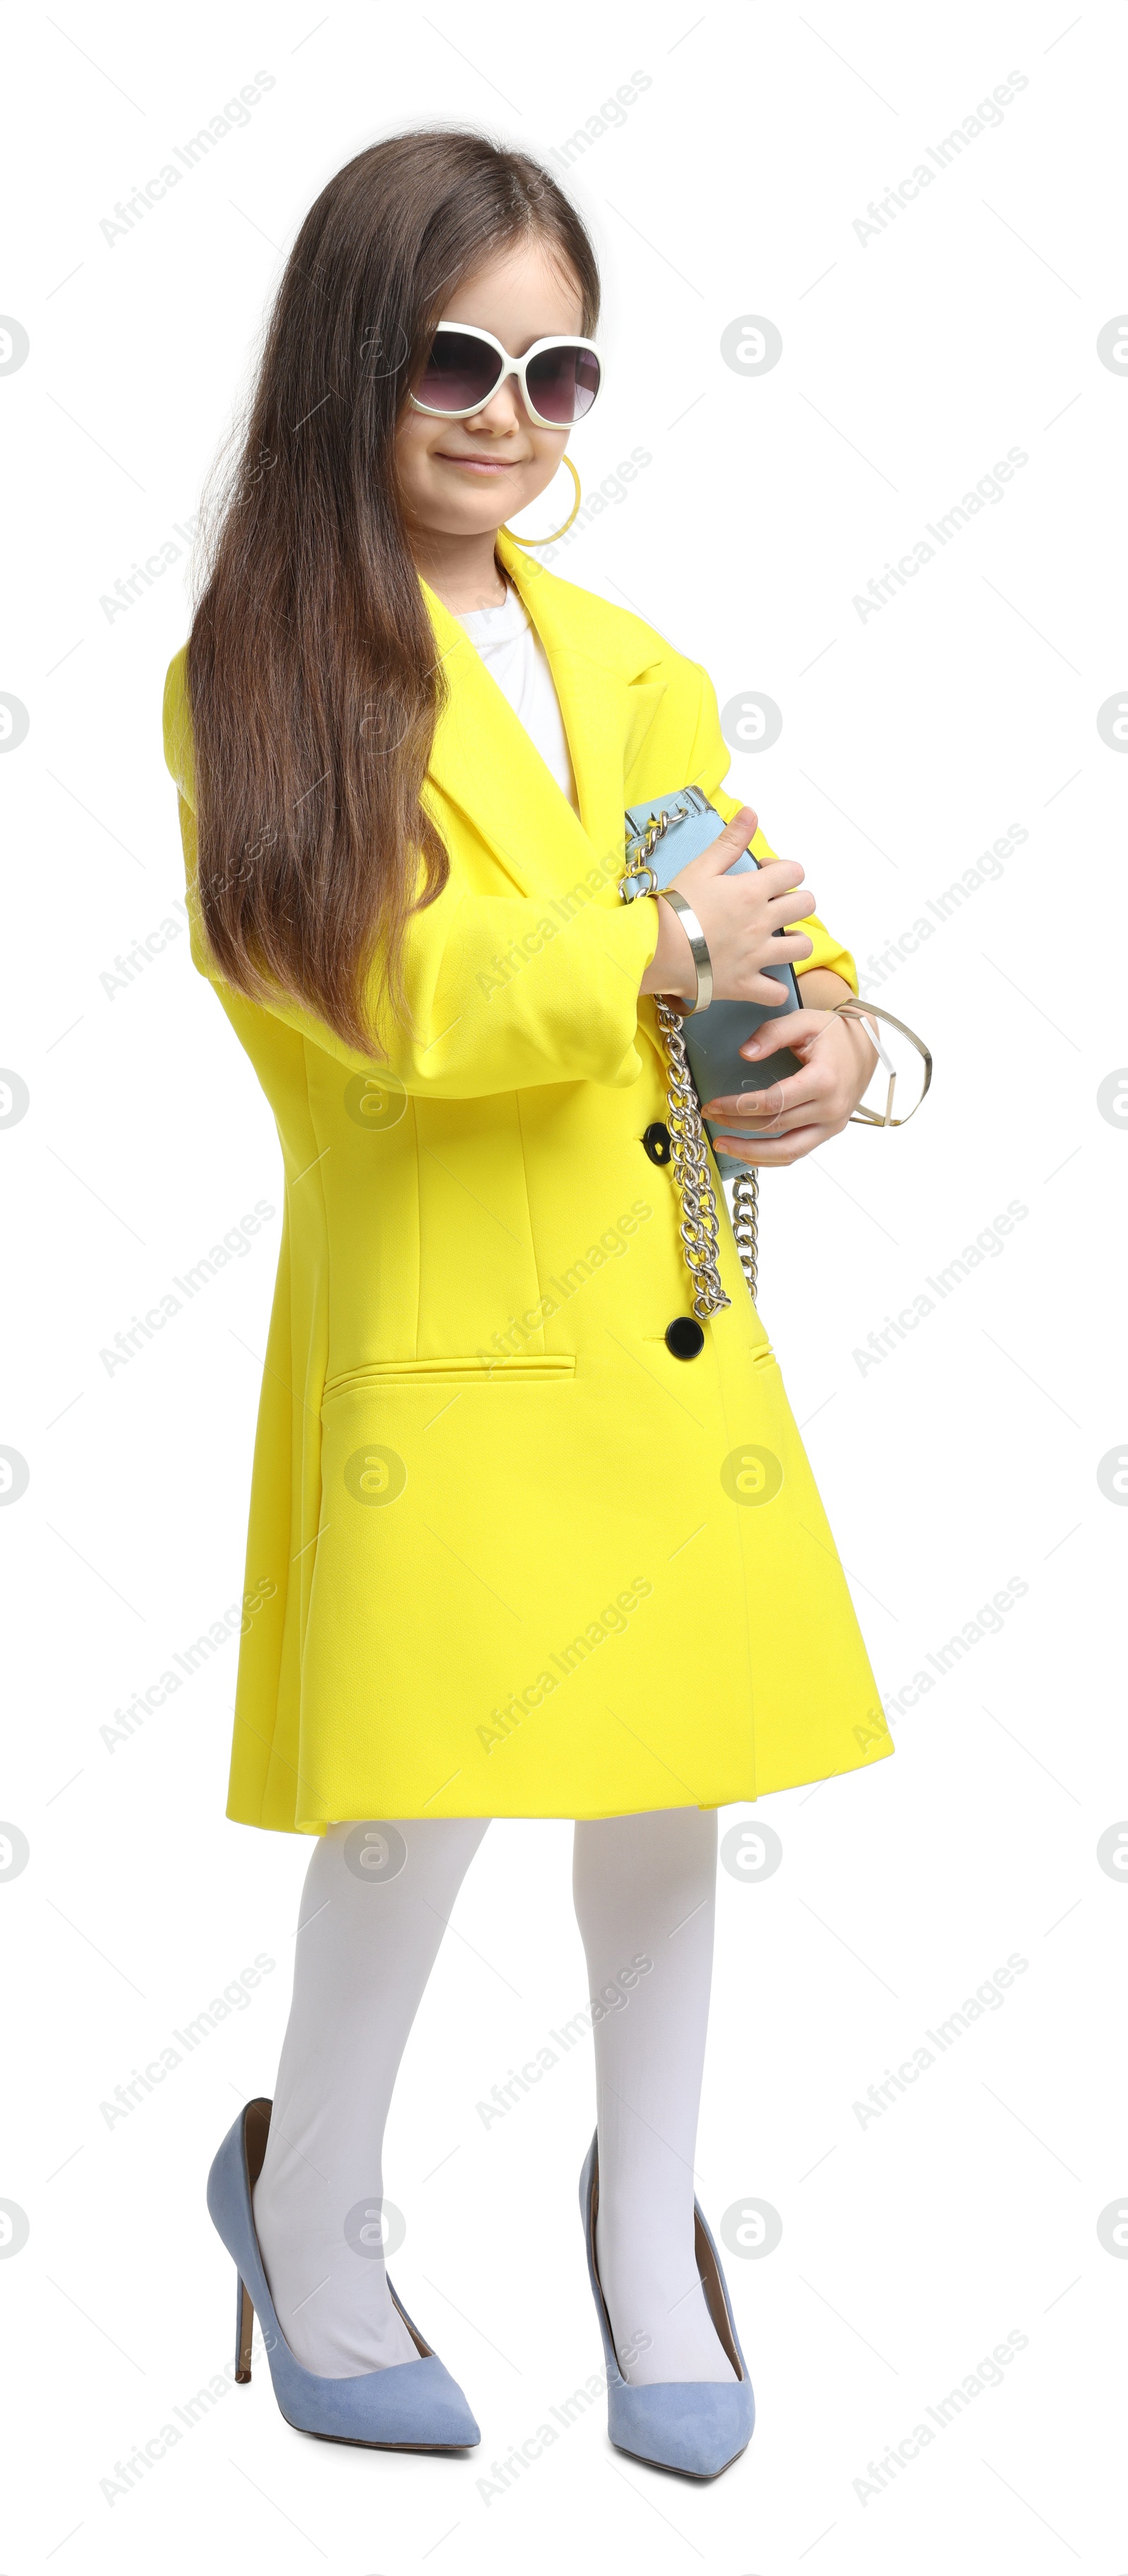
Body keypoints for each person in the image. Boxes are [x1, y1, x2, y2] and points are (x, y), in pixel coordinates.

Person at [163, 126, 895, 2480]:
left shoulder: (642, 665)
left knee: (666, 1790)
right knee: (416, 1811)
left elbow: (757, 918)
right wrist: (658, 964)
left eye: (558, 368)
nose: (509, 413)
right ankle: (318, 2207)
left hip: (662, 1335)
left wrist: (826, 1044)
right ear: (351, 362)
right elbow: (381, 987)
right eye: (458, 357)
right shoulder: (262, 676)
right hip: (444, 1347)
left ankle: (655, 2227)